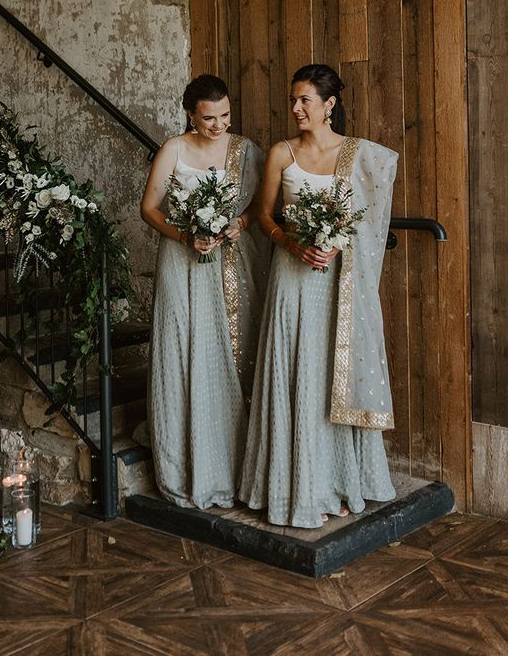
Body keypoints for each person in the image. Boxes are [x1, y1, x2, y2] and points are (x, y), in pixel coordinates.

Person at [238, 63, 397, 528]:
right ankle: (298, 487)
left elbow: (369, 221)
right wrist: (292, 242)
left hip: (339, 285)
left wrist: (335, 243)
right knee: (297, 377)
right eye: (293, 100)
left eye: (305, 100)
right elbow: (264, 217)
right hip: (292, 279)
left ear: (329, 105)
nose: (296, 108)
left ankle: (341, 480)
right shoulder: (281, 154)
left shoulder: (359, 155)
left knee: (333, 377)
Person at [141, 74, 269, 509]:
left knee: (235, 353)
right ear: (190, 114)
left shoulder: (245, 150)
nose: (219, 125)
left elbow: (261, 205)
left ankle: (239, 467)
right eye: (209, 118)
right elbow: (149, 208)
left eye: (226, 115)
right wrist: (184, 236)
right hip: (182, 263)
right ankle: (190, 466)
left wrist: (241, 223)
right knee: (184, 354)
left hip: (232, 264)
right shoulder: (174, 149)